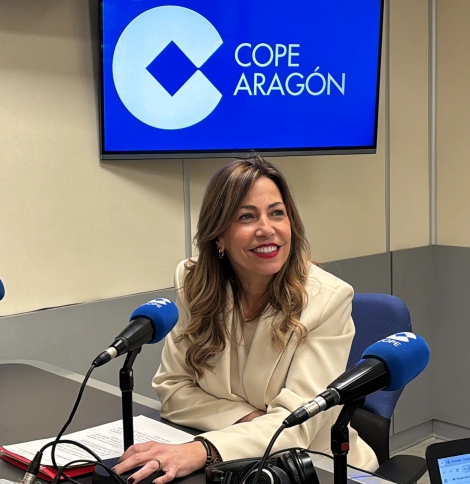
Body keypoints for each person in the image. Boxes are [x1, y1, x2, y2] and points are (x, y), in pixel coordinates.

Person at [114, 156, 379, 484]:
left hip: (317, 466)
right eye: (246, 216)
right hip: (239, 461)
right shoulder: (194, 281)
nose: (266, 229)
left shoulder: (327, 299)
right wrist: (248, 418)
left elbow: (296, 425)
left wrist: (203, 449)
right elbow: (172, 388)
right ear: (219, 236)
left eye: (277, 213)